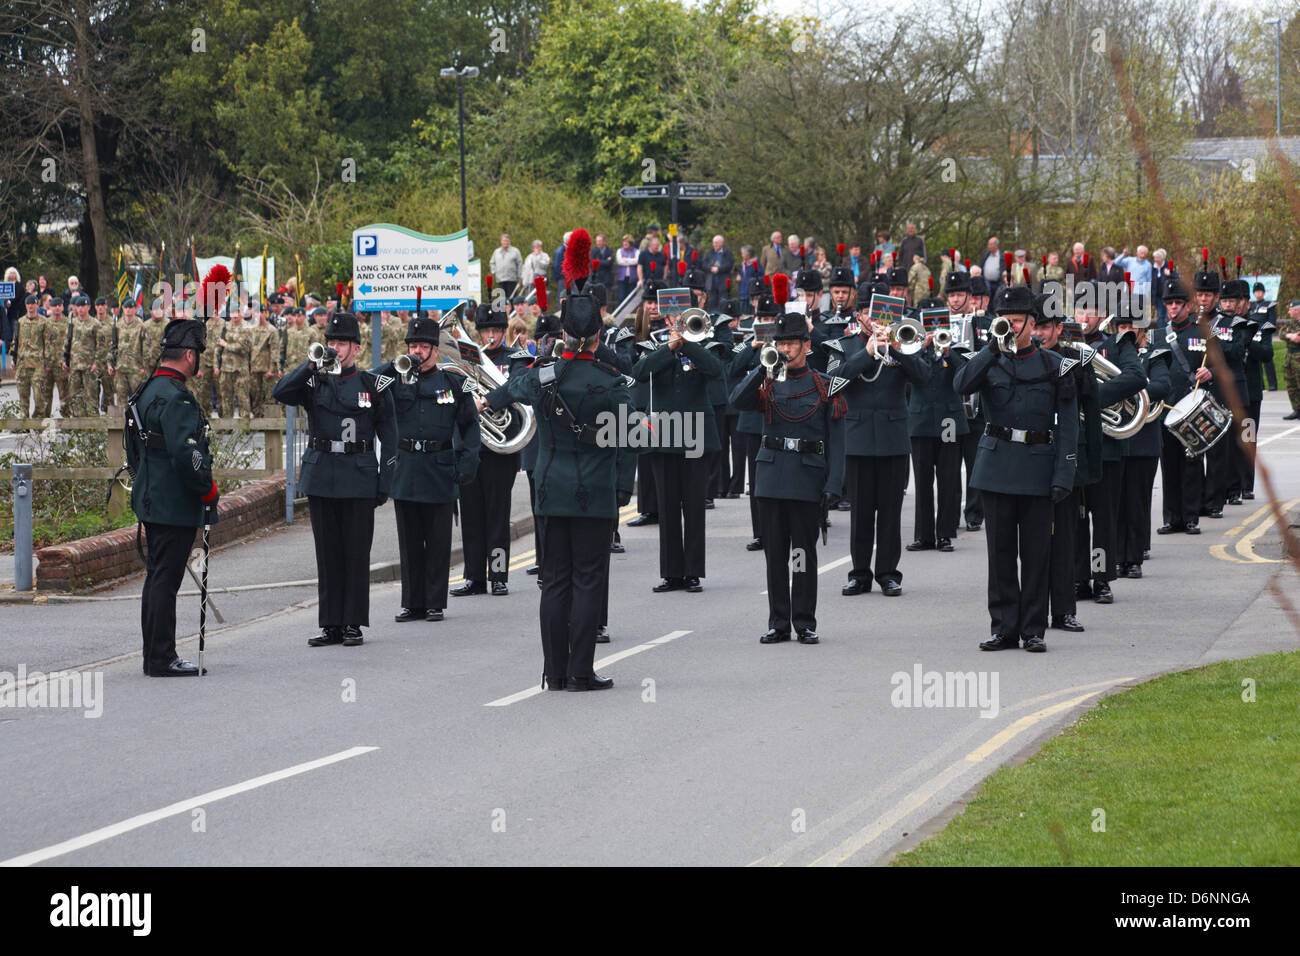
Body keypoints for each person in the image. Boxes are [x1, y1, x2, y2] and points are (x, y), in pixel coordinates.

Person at [480, 260, 635, 691]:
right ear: (599, 336)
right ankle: (581, 671)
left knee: (555, 582)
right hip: (596, 494)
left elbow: (501, 394)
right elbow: (633, 433)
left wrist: (487, 400)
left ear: (562, 334)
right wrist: (623, 486)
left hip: (549, 491)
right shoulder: (610, 382)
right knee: (588, 580)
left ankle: (555, 671)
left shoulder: (540, 377)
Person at [954, 285, 1078, 652]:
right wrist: (992, 348)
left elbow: (1068, 426)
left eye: (1017, 321)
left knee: (1037, 554)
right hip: (996, 467)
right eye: (1003, 320)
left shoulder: (1055, 366)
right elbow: (960, 384)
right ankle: (1004, 627)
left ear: (1032, 324)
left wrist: (1064, 474)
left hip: (1038, 465)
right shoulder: (990, 359)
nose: (1010, 326)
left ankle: (1033, 629)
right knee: (1001, 554)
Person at [272, 311, 397, 647]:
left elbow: (391, 436)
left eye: (342, 343)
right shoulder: (315, 382)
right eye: (331, 342)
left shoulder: (373, 385)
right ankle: (330, 624)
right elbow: (280, 392)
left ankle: (353, 623)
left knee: (356, 553)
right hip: (322, 475)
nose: (335, 348)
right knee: (327, 553)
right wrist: (311, 366)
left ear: (356, 348)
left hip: (358, 476)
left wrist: (385, 483)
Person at [730, 310, 846, 644]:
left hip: (807, 476)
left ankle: (804, 621)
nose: (785, 349)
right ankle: (778, 622)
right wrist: (762, 369)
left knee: (802, 555)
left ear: (806, 345)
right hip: (770, 475)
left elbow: (837, 441)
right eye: (781, 342)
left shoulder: (824, 384)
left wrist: (834, 484)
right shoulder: (767, 379)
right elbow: (737, 400)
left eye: (791, 343)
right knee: (775, 554)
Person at [127, 318, 220, 676]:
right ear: (187, 354)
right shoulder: (177, 396)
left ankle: (155, 654)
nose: (198, 361)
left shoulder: (146, 390)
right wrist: (208, 489)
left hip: (150, 496)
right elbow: (188, 456)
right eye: (197, 354)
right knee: (164, 581)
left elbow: (134, 448)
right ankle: (161, 657)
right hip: (173, 503)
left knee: (157, 578)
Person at [378, 314, 481, 623]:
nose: (418, 351)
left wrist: (468, 463)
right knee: (409, 543)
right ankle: (413, 603)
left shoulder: (452, 382)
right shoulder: (394, 379)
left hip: (439, 468)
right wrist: (398, 364)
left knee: (437, 542)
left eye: (423, 346)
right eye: (413, 346)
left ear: (436, 350)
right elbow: (369, 380)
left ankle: (435, 601)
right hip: (407, 468)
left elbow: (469, 426)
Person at [835, 278, 930, 597]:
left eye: (884, 314)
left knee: (890, 511)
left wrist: (899, 349)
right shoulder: (846, 345)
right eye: (870, 313)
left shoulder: (902, 344)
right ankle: (859, 572)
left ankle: (888, 573)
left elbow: (923, 377)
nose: (877, 320)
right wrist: (867, 352)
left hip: (892, 439)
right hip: (859, 438)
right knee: (861, 511)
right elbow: (836, 381)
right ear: (860, 315)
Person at [631, 277, 724, 593]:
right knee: (668, 506)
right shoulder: (652, 342)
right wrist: (669, 347)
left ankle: (693, 571)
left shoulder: (705, 339)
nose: (675, 317)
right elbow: (639, 373)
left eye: (680, 311)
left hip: (696, 433)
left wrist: (688, 344)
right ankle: (671, 572)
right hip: (663, 433)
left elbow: (715, 370)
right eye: (671, 313)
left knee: (694, 505)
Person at [453, 304, 523, 596]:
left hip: (500, 448)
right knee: (471, 515)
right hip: (472, 447)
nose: (491, 336)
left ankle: (498, 575)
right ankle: (474, 577)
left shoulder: (515, 358)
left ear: (504, 332)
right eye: (486, 331)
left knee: (497, 515)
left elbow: (518, 387)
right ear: (478, 331)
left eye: (496, 330)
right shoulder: (465, 359)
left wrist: (487, 401)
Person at [907, 298, 967, 553]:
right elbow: (911, 372)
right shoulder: (912, 347)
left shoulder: (957, 347)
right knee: (922, 481)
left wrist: (947, 351)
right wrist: (922, 347)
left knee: (948, 478)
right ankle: (924, 535)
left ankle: (945, 534)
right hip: (921, 421)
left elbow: (966, 374)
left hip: (949, 420)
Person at [1117, 300, 1171, 578]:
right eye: (1122, 326)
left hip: (1143, 441)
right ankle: (1115, 556)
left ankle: (1134, 558)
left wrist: (1135, 388)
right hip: (1114, 438)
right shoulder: (1110, 352)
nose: (1126, 332)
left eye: (1131, 327)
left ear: (1142, 331)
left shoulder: (1154, 355)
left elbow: (1164, 384)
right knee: (1114, 502)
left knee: (1137, 501)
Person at [1156, 276, 1207, 535]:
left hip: (1191, 409)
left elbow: (1219, 367)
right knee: (1169, 465)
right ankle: (1171, 518)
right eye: (1169, 303)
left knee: (1191, 464)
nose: (1173, 307)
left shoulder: (1201, 333)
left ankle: (1191, 517)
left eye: (1178, 303)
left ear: (1187, 306)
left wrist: (1209, 372)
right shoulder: (1158, 335)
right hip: (1167, 409)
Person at [109, 298, 145, 408]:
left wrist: (144, 366)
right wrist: (110, 364)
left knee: (138, 399)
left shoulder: (141, 326)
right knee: (121, 400)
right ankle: (123, 425)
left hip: (135, 370)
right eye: (126, 307)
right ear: (123, 309)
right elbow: (113, 346)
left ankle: (138, 424)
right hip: (120, 369)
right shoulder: (118, 325)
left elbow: (146, 348)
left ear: (135, 309)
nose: (128, 310)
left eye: (131, 307)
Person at [13, 294, 43, 416]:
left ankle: (38, 420)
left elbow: (48, 342)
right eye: (28, 304)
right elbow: (16, 341)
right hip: (23, 363)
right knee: (23, 394)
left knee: (38, 395)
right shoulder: (20, 322)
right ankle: (23, 421)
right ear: (26, 305)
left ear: (37, 304)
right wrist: (14, 358)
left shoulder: (43, 322)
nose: (30, 306)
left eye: (33, 304)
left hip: (38, 364)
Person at [702, 234, 734, 310]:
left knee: (723, 302)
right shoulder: (710, 252)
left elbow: (729, 265)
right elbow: (703, 264)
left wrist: (719, 269)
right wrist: (711, 268)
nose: (714, 245)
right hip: (711, 283)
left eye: (716, 243)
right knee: (712, 302)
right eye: (714, 243)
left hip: (723, 283)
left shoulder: (727, 253)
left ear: (721, 243)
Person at [1280, 299, 1300, 420]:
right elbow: (1282, 333)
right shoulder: (1290, 323)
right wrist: (1290, 335)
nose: (1288, 311)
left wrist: (1294, 337)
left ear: (1297, 310)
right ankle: (1297, 410)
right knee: (1291, 384)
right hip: (1290, 357)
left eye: (1290, 309)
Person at [490, 234, 524, 300]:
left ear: (510, 241)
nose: (505, 242)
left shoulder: (515, 251)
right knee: (502, 299)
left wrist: (520, 277)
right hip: (500, 280)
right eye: (504, 240)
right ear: (501, 241)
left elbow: (520, 264)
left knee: (512, 298)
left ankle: (513, 310)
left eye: (507, 241)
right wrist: (494, 271)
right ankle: (504, 310)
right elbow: (492, 262)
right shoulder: (496, 252)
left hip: (512, 279)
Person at [615, 235, 639, 305]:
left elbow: (637, 261)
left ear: (630, 243)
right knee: (621, 296)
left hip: (633, 278)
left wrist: (625, 260)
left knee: (631, 296)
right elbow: (620, 261)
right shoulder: (619, 250)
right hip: (622, 278)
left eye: (626, 242)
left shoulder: (636, 251)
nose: (624, 243)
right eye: (624, 242)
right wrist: (631, 261)